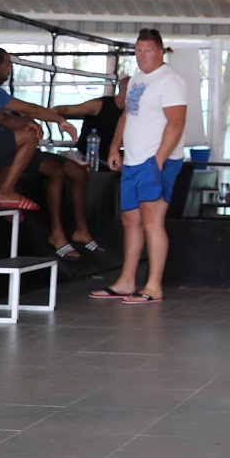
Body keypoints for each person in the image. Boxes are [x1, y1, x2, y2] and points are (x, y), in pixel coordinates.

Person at [0, 46, 104, 261]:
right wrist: (59, 120)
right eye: (7, 65)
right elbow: (32, 108)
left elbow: (4, 120)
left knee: (41, 146)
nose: (10, 70)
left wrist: (27, 123)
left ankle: (72, 230)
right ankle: (5, 191)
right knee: (31, 141)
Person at [90, 28, 186, 305]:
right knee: (130, 220)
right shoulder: (136, 80)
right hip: (132, 160)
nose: (141, 55)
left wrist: (158, 160)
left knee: (152, 220)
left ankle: (154, 286)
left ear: (160, 52)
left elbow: (177, 122)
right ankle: (126, 281)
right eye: (138, 50)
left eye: (147, 50)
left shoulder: (170, 81)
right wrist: (113, 147)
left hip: (157, 161)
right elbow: (126, 115)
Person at [55, 75, 129, 170]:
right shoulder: (99, 105)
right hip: (91, 154)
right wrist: (54, 116)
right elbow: (67, 109)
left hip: (112, 153)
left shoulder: (130, 112)